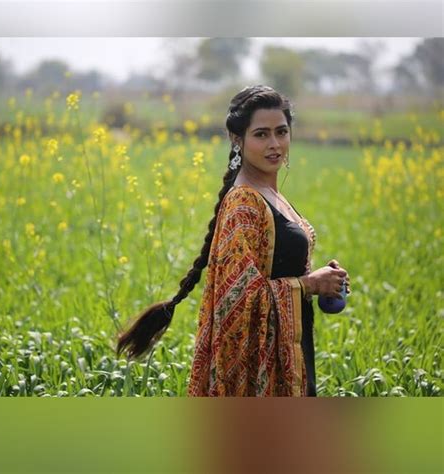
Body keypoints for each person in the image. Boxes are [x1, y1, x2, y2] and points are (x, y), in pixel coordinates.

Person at [116, 84, 351, 397]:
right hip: (258, 373)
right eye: (261, 134)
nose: (274, 144)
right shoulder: (244, 203)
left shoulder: (272, 196)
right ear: (237, 140)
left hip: (292, 351)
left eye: (281, 132)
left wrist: (322, 279)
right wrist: (309, 285)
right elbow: (236, 300)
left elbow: (276, 272)